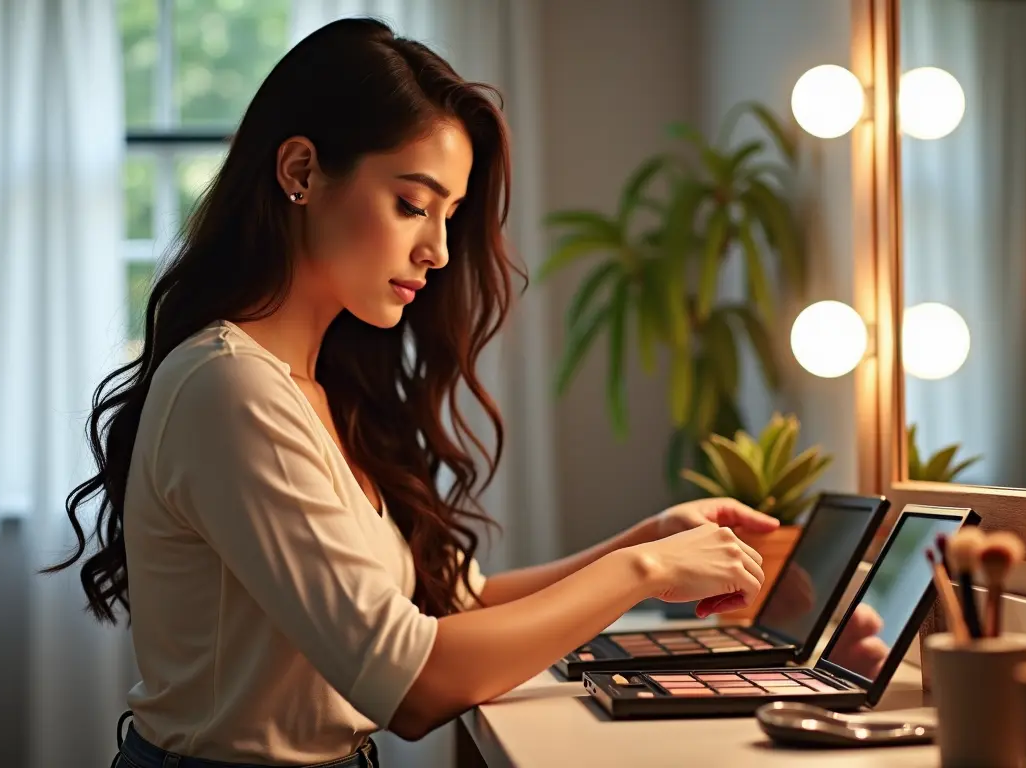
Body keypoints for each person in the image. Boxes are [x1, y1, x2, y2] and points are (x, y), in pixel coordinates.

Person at [46, 18, 777, 768]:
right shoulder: (229, 387)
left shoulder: (318, 389)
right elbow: (415, 686)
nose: (439, 250)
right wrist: (646, 574)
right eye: (412, 204)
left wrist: (646, 538)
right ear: (300, 170)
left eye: (450, 215)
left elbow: (455, 603)